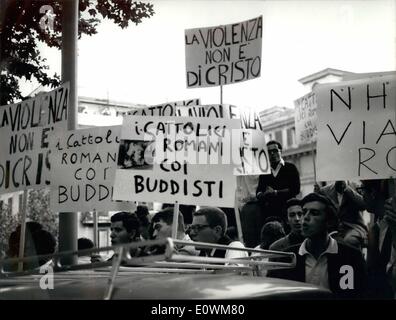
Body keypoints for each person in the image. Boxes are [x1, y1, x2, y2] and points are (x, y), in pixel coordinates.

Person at [268, 193, 367, 299]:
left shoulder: (350, 256)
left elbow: (358, 294)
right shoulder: (287, 258)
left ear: (329, 221)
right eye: (304, 212)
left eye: (314, 213)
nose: (305, 218)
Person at [359, 179, 395, 299]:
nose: (361, 195)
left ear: (373, 193)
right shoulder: (375, 228)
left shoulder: (391, 226)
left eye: (362, 190)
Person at [256, 140, 301, 222]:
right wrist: (263, 194)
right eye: (269, 152)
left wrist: (275, 192)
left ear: (281, 152)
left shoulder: (290, 168)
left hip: (287, 213)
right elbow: (258, 192)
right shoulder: (264, 173)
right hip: (270, 214)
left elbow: (296, 189)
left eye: (275, 151)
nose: (272, 154)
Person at [317, 180, 368, 251]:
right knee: (331, 243)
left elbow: (363, 205)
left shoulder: (356, 186)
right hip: (333, 229)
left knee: (350, 240)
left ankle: (356, 260)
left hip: (353, 227)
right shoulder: (324, 191)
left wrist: (346, 189)